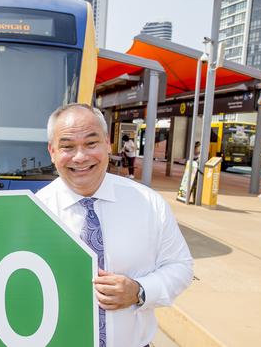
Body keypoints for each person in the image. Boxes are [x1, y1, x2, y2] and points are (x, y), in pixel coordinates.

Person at [37, 104, 193, 347]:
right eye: (67, 146)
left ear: (107, 143)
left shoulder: (148, 204)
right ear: (52, 151)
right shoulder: (33, 212)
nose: (80, 157)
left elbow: (180, 266)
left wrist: (139, 291)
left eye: (91, 143)